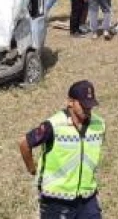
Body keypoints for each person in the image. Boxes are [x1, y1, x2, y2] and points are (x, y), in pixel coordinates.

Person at [19, 80, 106, 219]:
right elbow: (24, 143)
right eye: (83, 105)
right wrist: (32, 169)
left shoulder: (99, 124)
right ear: (70, 102)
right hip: (56, 201)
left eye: (90, 105)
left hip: (87, 197)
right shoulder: (53, 125)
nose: (88, 110)